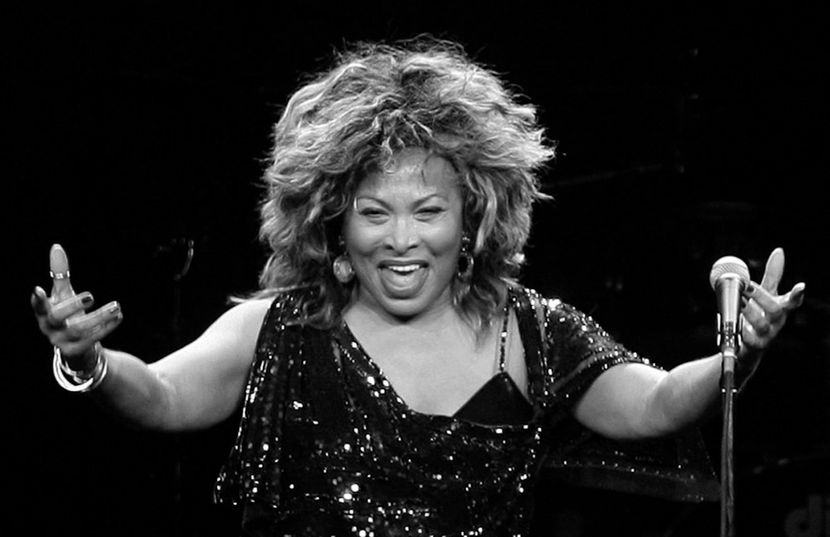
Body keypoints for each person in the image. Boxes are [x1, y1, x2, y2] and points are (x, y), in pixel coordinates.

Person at [31, 38, 805, 536]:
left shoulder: (532, 331)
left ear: (473, 219)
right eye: (375, 213)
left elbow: (657, 402)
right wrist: (88, 362)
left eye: (428, 211)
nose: (401, 238)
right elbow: (164, 396)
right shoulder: (280, 329)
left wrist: (736, 355)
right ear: (334, 223)